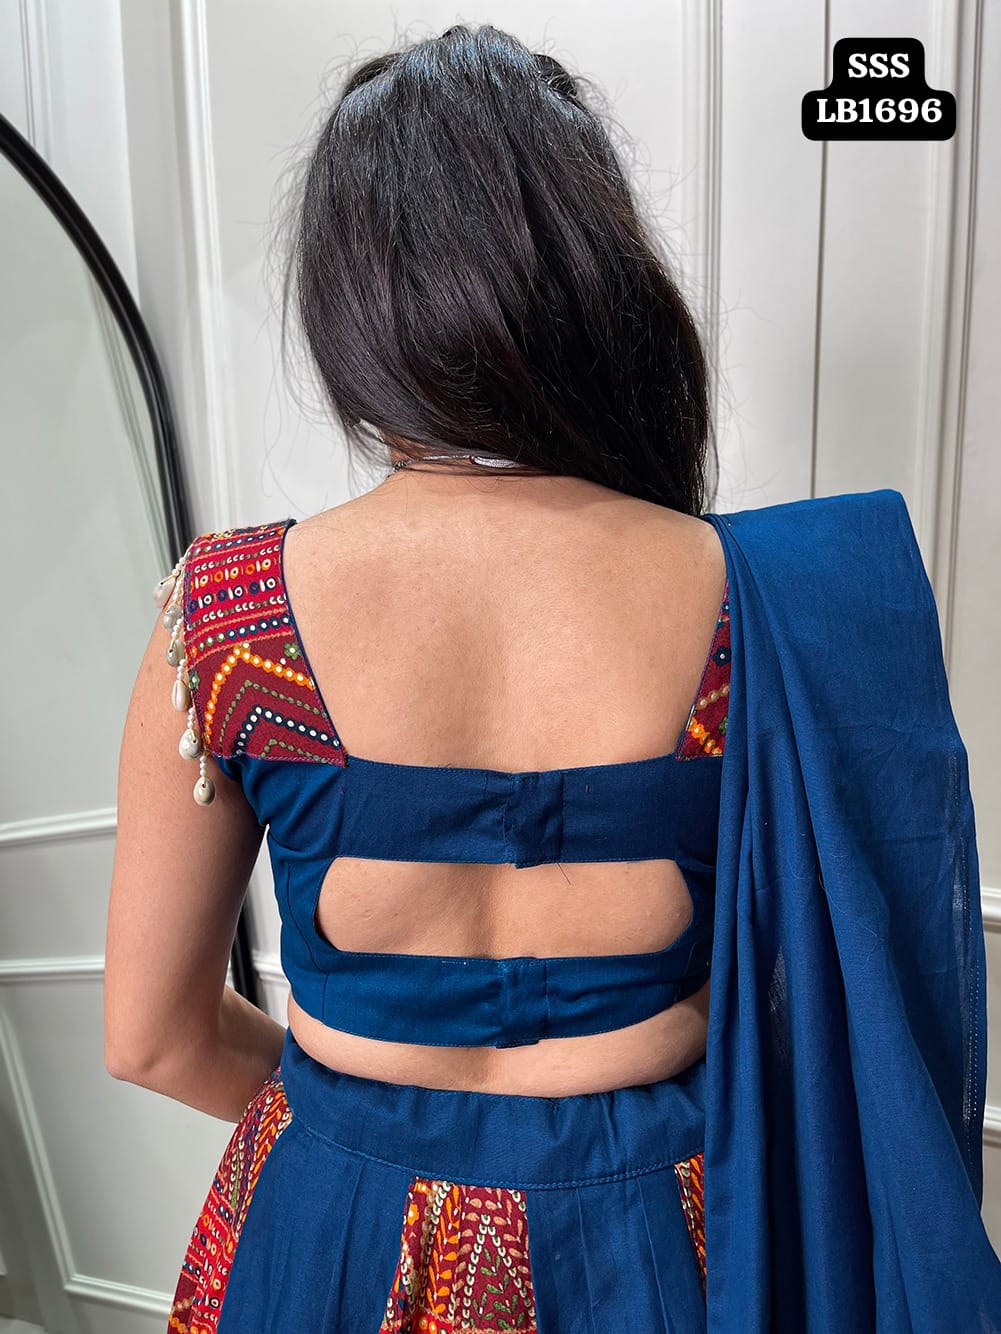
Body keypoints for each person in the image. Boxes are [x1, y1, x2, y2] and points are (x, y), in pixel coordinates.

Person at [103, 23, 1001, 1333]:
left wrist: (364, 1136)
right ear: (594, 282)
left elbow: (152, 1036)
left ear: (350, 307)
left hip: (332, 1227)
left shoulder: (229, 613)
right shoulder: (757, 597)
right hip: (666, 1240)